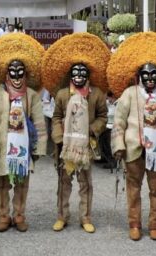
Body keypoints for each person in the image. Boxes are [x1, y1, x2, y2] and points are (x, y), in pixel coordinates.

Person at [108, 32, 156, 241]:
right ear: (139, 75)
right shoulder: (130, 93)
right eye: (145, 74)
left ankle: (155, 225)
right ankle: (134, 224)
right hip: (134, 148)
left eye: (153, 75)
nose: (150, 78)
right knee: (133, 188)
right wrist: (118, 144)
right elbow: (119, 121)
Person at [43, 33, 110, 233]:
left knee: (85, 183)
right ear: (70, 75)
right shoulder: (62, 95)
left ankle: (85, 217)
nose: (79, 76)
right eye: (75, 73)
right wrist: (59, 136)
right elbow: (56, 117)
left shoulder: (96, 95)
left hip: (86, 146)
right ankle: (62, 216)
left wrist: (91, 129)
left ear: (88, 76)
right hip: (66, 146)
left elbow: (103, 117)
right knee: (63, 182)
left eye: (82, 73)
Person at [0, 33, 47, 232]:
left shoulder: (32, 96)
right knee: (1, 184)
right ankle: (3, 216)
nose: (17, 77)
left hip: (23, 149)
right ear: (6, 74)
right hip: (3, 148)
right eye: (13, 73)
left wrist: (38, 149)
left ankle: (19, 215)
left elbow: (39, 123)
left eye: (20, 73)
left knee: (22, 183)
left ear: (26, 74)